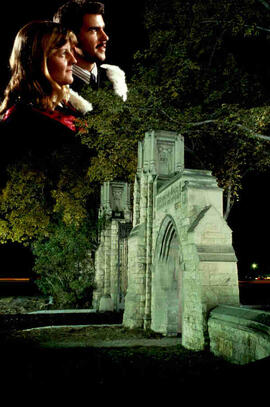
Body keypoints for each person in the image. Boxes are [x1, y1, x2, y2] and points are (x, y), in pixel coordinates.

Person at [0, 20, 93, 182]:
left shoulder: (74, 112)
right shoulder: (19, 124)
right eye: (64, 53)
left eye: (72, 52)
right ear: (40, 60)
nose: (74, 60)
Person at [53, 0, 128, 101]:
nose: (105, 37)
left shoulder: (116, 82)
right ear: (71, 38)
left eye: (103, 29)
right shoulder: (57, 91)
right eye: (94, 30)